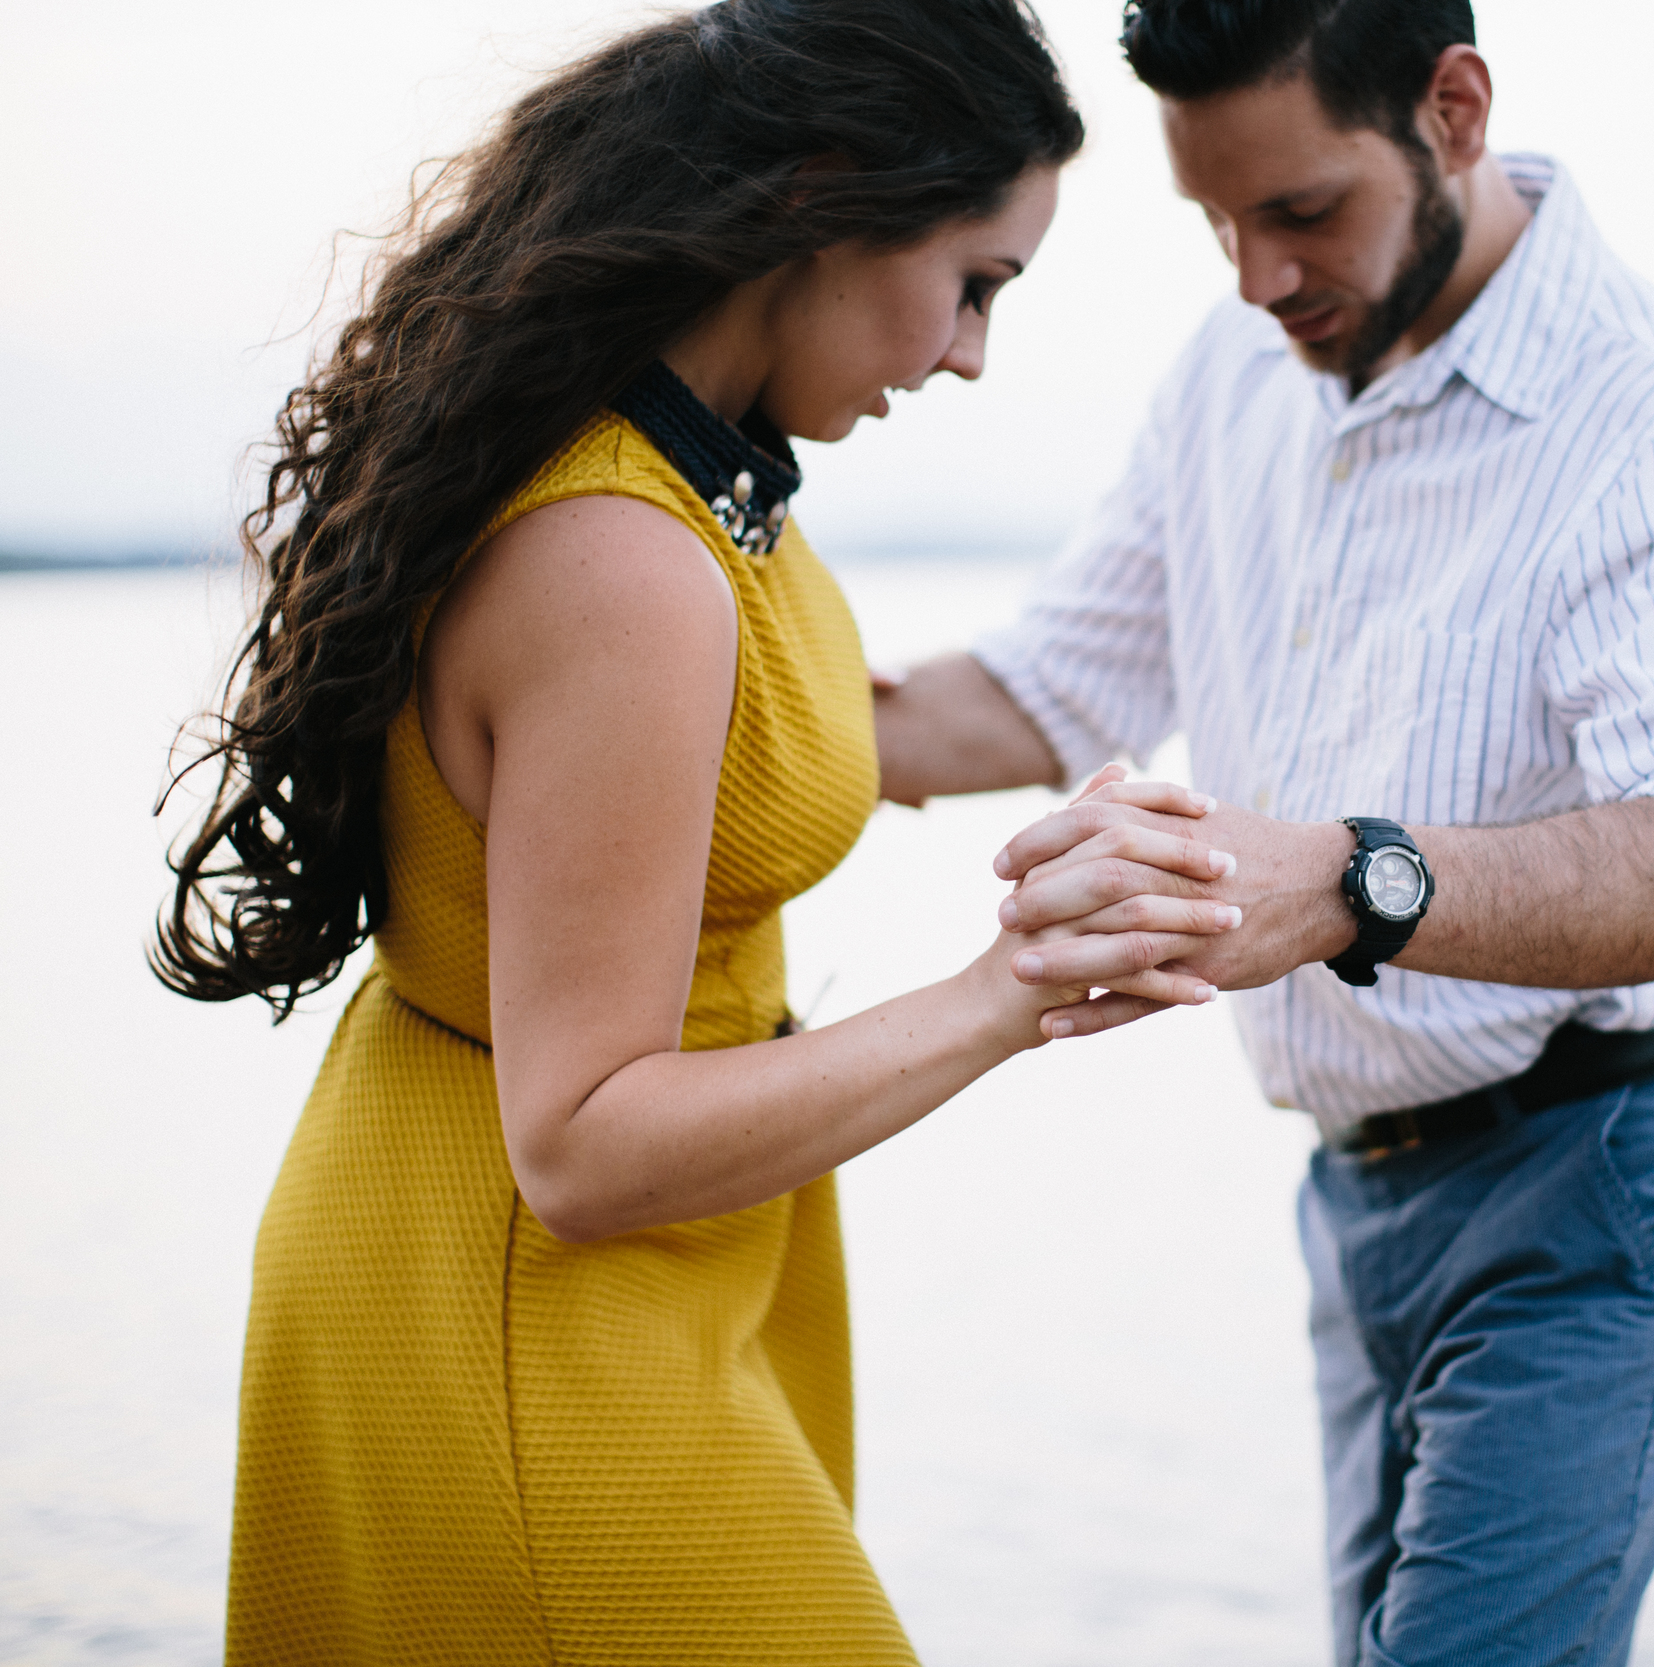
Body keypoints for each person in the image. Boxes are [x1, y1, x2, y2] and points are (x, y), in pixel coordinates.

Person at [151, 3, 1240, 1661]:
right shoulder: (623, 554)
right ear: (822, 195)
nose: (967, 354)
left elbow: (798, 749)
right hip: (528, 1304)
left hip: (663, 1272)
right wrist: (1010, 990)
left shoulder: (703, 477)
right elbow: (582, 1142)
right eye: (977, 282)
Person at [870, 2, 1654, 1661]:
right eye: (1217, 224)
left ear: (1453, 111)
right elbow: (1046, 692)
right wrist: (680, 673)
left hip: (1601, 1181)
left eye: (1301, 212)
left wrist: (1343, 881)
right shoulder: (1235, 367)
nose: (1255, 278)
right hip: (1353, 1202)